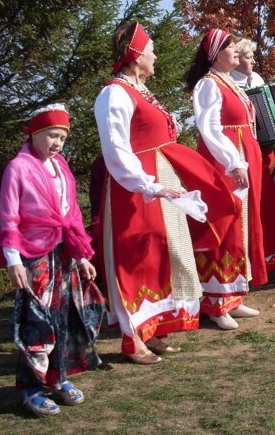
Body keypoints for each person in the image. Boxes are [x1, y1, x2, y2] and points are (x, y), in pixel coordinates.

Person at [94, 21, 240, 363]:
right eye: (152, 50)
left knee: (165, 253)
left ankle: (156, 330)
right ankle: (134, 340)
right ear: (136, 56)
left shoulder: (140, 91)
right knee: (137, 259)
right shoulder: (114, 93)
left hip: (162, 184)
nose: (156, 56)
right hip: (137, 189)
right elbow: (117, 149)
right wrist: (147, 185)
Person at [0, 105, 104, 417]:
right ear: (35, 133)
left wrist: (82, 255)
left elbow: (71, 213)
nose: (58, 143)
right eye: (52, 136)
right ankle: (31, 387)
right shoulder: (18, 168)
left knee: (64, 318)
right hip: (34, 255)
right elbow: (9, 218)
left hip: (63, 254)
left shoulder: (60, 166)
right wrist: (14, 260)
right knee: (36, 321)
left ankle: (59, 378)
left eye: (62, 138)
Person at [189, 28, 267, 329]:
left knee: (241, 225)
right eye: (230, 46)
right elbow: (209, 129)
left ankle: (233, 295)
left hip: (242, 159)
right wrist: (233, 161)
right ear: (215, 54)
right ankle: (215, 301)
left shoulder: (229, 84)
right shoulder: (208, 85)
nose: (236, 50)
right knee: (225, 225)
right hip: (224, 163)